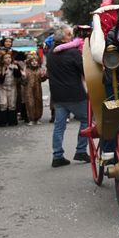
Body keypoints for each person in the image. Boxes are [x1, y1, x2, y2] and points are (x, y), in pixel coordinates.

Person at [46, 26, 90, 168]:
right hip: (75, 94)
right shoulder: (72, 53)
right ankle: (81, 150)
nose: (72, 36)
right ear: (64, 38)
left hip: (58, 95)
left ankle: (57, 156)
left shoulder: (50, 53)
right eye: (69, 34)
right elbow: (85, 70)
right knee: (86, 121)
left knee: (59, 126)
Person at [0, 52, 22, 127]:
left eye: (9, 58)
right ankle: (2, 121)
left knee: (12, 104)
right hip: (2, 88)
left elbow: (18, 76)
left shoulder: (15, 66)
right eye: (6, 58)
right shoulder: (0, 68)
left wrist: (17, 69)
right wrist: (2, 72)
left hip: (12, 87)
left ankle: (12, 121)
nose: (8, 59)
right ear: (2, 60)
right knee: (3, 104)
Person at [21, 51, 44, 125]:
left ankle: (38, 118)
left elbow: (42, 80)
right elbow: (23, 82)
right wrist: (24, 77)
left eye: (36, 61)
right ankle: (31, 118)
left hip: (38, 90)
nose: (34, 62)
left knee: (38, 102)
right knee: (30, 103)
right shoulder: (26, 70)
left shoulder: (39, 70)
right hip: (29, 90)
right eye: (32, 61)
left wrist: (44, 76)